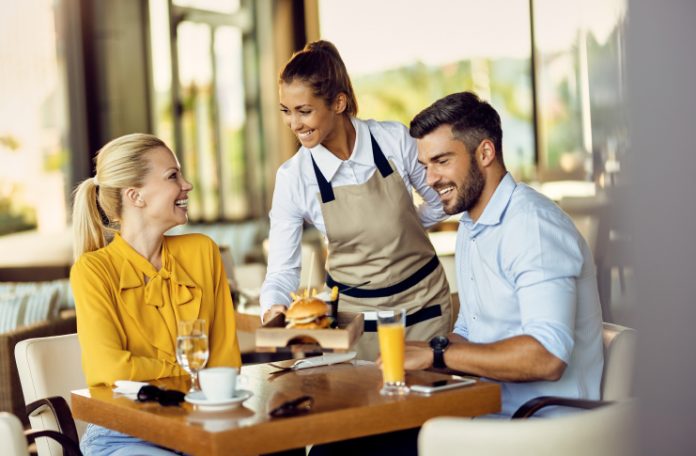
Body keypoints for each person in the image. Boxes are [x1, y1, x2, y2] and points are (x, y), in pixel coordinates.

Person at [404, 91, 604, 417]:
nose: (430, 179)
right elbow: (471, 332)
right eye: (425, 165)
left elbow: (548, 356)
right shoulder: (471, 226)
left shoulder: (532, 226)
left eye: (442, 161)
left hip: (544, 424)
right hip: (489, 409)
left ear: (485, 152)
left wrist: (436, 356)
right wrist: (423, 349)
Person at [260, 40, 451, 359]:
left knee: (429, 405)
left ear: (338, 103)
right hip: (355, 325)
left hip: (425, 310)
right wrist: (273, 308)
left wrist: (399, 226)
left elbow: (440, 201)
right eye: (286, 111)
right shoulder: (294, 178)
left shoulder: (393, 140)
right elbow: (282, 270)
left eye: (304, 111)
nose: (294, 124)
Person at [71, 133, 241, 454]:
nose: (187, 184)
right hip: (123, 435)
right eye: (173, 176)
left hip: (202, 425)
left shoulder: (202, 251)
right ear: (136, 196)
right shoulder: (93, 271)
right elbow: (108, 369)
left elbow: (224, 362)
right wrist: (184, 368)